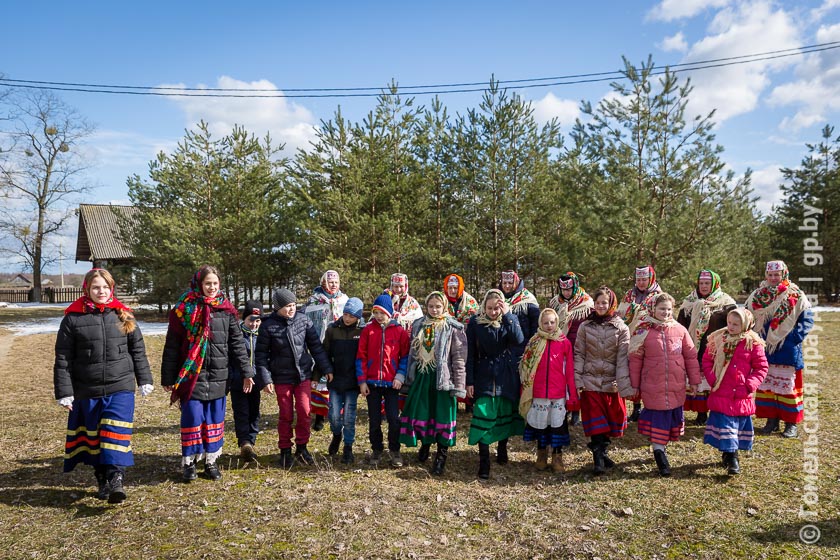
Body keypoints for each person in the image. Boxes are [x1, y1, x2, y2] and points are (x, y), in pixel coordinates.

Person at [54, 268, 153, 503]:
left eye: (106, 287)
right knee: (95, 438)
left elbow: (137, 350)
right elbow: (63, 358)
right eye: (96, 287)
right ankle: (102, 480)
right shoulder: (72, 318)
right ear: (87, 289)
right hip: (87, 389)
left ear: (112, 289)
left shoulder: (123, 315)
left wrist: (145, 379)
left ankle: (116, 477)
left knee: (114, 432)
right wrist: (65, 392)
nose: (101, 291)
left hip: (121, 386)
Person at [162, 265, 254, 482]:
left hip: (219, 375)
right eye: (207, 283)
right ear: (199, 284)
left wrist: (246, 372)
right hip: (192, 374)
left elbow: (237, 344)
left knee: (214, 419)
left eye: (215, 283)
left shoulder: (226, 309)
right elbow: (172, 345)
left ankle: (210, 461)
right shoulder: (183, 310)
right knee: (193, 418)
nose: (212, 287)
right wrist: (168, 377)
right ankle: (190, 463)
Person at [255, 288, 333, 468]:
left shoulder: (303, 320)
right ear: (277, 308)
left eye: (293, 305)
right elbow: (260, 356)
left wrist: (326, 368)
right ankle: (284, 450)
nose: (291, 309)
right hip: (282, 377)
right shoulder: (268, 326)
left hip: (303, 375)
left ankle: (302, 447)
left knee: (305, 412)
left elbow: (316, 348)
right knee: (286, 414)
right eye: (287, 306)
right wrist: (266, 379)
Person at [628, 293, 701, 477]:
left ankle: (661, 447)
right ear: (653, 309)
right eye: (662, 309)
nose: (666, 312)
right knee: (658, 419)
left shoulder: (680, 330)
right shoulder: (643, 330)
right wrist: (634, 384)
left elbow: (691, 356)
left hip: (675, 385)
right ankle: (659, 453)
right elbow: (635, 359)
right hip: (652, 384)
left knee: (670, 419)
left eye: (669, 309)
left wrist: (694, 380)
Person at [397, 292, 467, 476]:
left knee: (442, 415)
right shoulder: (419, 324)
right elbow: (413, 353)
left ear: (444, 307)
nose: (434, 310)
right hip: (422, 376)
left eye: (438, 306)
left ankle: (441, 456)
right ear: (426, 307)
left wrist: (459, 385)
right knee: (423, 412)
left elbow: (458, 359)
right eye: (431, 306)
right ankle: (426, 444)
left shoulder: (453, 327)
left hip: (443, 379)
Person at [745, 260, 814, 438]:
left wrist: (792, 339)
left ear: (784, 274)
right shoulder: (757, 295)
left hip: (786, 349)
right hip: (763, 348)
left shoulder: (796, 295)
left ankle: (790, 424)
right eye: (770, 275)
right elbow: (747, 316)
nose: (774, 278)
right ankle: (771, 420)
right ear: (766, 275)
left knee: (788, 389)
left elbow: (806, 320)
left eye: (777, 274)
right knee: (766, 387)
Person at [466, 289, 525, 480]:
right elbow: (470, 354)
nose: (493, 312)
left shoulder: (509, 320)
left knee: (502, 411)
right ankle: (484, 460)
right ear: (484, 306)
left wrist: (507, 314)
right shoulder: (475, 323)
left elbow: (519, 340)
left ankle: (502, 447)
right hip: (484, 373)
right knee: (484, 412)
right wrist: (469, 381)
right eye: (489, 308)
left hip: (505, 374)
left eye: (496, 308)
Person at [574, 286, 633, 475]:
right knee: (595, 421)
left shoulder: (621, 328)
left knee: (610, 421)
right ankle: (597, 458)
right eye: (597, 303)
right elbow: (579, 354)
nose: (600, 306)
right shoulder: (585, 326)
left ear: (611, 304)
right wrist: (578, 379)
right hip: (590, 381)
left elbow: (623, 358)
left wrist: (622, 384)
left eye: (604, 303)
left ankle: (603, 450)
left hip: (610, 382)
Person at [702, 308, 769, 475]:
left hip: (740, 393)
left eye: (735, 324)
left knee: (735, 427)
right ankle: (732, 458)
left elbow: (761, 367)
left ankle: (731, 454)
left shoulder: (752, 343)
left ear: (746, 325)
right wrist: (712, 378)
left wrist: (749, 384)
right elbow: (707, 360)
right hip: (721, 390)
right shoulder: (718, 339)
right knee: (725, 424)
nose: (730, 327)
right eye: (729, 323)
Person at [519, 308, 578, 473]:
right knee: (541, 425)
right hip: (538, 393)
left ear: (557, 322)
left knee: (557, 425)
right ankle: (541, 454)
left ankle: (557, 456)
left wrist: (572, 395)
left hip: (558, 393)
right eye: (546, 322)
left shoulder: (564, 342)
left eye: (552, 322)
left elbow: (569, 370)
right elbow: (526, 367)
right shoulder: (534, 342)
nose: (549, 325)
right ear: (540, 324)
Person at [356, 293, 411, 467]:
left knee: (394, 419)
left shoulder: (399, 331)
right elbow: (361, 357)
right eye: (376, 312)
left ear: (390, 312)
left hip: (392, 384)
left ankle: (395, 450)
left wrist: (400, 376)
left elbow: (405, 357)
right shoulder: (368, 330)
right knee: (374, 420)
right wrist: (362, 381)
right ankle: (377, 449)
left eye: (382, 313)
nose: (379, 316)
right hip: (372, 383)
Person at [677, 270, 737, 425]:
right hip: (693, 348)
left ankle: (715, 413)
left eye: (707, 283)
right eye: (701, 283)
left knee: (714, 381)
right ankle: (701, 413)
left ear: (715, 284)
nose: (703, 286)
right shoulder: (689, 302)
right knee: (698, 379)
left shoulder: (726, 302)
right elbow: (680, 324)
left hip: (716, 348)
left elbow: (734, 323)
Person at [303, 270, 349, 432]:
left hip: (340, 345)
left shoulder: (345, 300)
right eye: (330, 282)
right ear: (323, 282)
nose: (334, 284)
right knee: (320, 378)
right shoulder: (314, 301)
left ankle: (337, 413)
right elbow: (304, 322)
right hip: (320, 344)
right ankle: (319, 416)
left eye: (336, 282)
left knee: (338, 378)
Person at [322, 297, 366, 464]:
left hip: (353, 381)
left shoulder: (362, 331)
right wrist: (326, 370)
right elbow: (324, 353)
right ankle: (336, 434)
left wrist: (363, 379)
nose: (348, 319)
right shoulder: (333, 329)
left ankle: (348, 446)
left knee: (349, 415)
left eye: (352, 316)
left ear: (359, 317)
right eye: (346, 314)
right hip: (336, 378)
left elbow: (365, 356)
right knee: (333, 414)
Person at [618, 265, 663, 422]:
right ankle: (636, 407)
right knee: (634, 373)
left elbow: (663, 314)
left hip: (650, 338)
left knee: (649, 374)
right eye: (639, 280)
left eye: (644, 279)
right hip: (631, 338)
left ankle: (649, 408)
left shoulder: (658, 295)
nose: (641, 283)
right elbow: (621, 313)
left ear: (651, 278)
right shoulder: (630, 294)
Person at [548, 271, 593, 426]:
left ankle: (576, 410)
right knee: (562, 379)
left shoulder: (586, 303)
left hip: (580, 347)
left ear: (575, 286)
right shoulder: (555, 302)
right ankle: (565, 408)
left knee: (576, 380)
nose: (566, 292)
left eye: (569, 289)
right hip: (560, 347)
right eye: (563, 289)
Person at [228, 300, 264, 462]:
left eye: (257, 320)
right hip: (238, 381)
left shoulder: (262, 336)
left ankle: (252, 439)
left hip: (256, 382)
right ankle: (244, 442)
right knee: (241, 412)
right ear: (244, 319)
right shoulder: (236, 335)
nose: (254, 324)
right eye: (251, 320)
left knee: (254, 412)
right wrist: (239, 377)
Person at [443, 273, 479, 413]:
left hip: (467, 341)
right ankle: (454, 400)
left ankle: (469, 402)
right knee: (451, 369)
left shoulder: (470, 301)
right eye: (450, 287)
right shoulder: (442, 300)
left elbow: (476, 319)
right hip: (447, 341)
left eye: (455, 288)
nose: (452, 291)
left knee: (466, 369)